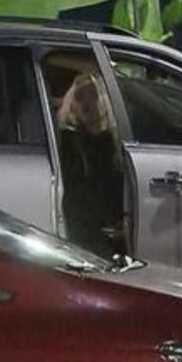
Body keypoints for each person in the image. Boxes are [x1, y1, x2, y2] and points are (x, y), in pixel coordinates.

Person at [57, 72, 125, 258]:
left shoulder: (113, 143)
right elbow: (79, 196)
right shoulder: (69, 143)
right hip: (87, 236)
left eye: (93, 95)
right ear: (71, 105)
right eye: (79, 97)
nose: (87, 104)